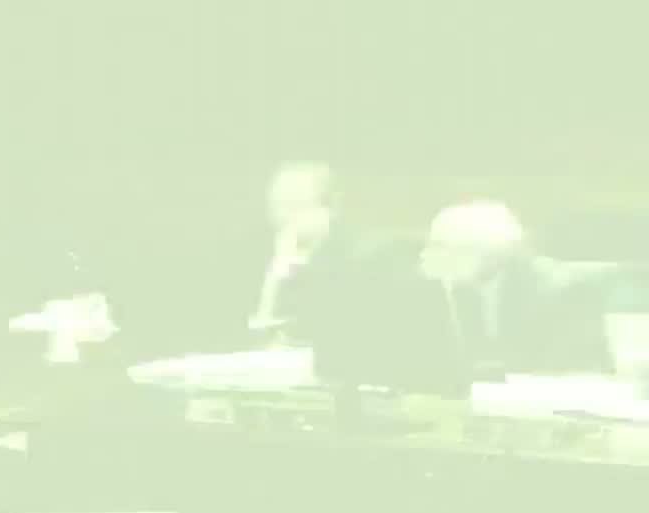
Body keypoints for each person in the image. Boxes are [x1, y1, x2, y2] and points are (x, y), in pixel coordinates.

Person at [413, 200, 616, 386]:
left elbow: (567, 372)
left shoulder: (566, 291)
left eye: (441, 246)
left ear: (487, 252)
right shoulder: (453, 290)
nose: (427, 255)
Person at [248, 162, 410, 386]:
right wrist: (275, 278)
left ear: (331, 208)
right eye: (277, 206)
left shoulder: (369, 256)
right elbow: (261, 340)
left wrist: (306, 269)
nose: (284, 217)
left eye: (295, 206)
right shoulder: (267, 256)